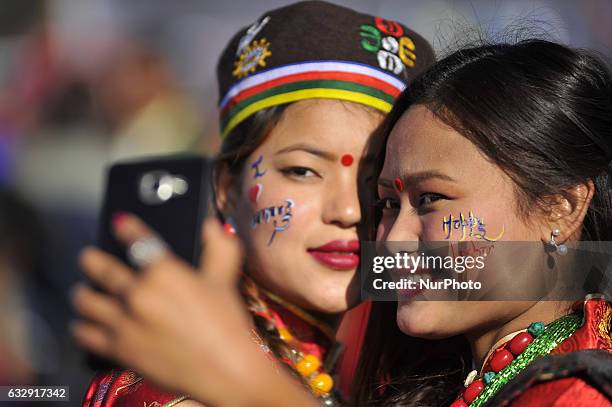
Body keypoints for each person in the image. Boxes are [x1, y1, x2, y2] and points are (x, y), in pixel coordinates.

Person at [73, 1, 434, 406]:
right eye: (302, 171)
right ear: (227, 188)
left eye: (376, 180)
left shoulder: (312, 365)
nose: (348, 211)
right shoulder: (186, 389)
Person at [353, 39, 612, 406]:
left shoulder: (575, 395)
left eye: (430, 199)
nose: (393, 241)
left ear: (560, 208)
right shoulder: (469, 381)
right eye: (389, 203)